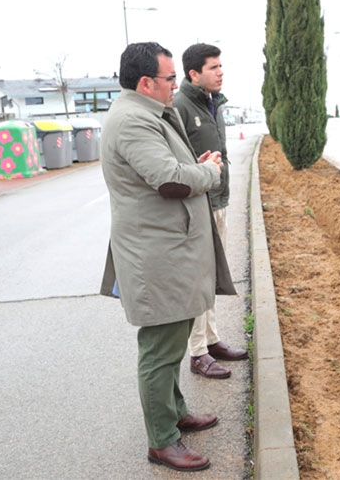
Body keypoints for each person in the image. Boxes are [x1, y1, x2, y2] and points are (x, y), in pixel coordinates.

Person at [99, 42, 236, 472]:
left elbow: (169, 169)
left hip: (166, 249)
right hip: (155, 255)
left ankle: (174, 414)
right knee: (159, 349)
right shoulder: (133, 121)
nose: (175, 85)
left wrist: (193, 164)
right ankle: (162, 440)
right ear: (145, 82)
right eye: (170, 78)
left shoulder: (146, 113)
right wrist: (208, 173)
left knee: (173, 341)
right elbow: (169, 181)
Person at [172, 43, 248, 380]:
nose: (220, 72)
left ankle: (212, 341)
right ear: (194, 74)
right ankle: (198, 352)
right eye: (213, 67)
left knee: (213, 275)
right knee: (199, 280)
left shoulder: (213, 103)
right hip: (198, 205)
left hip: (219, 200)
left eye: (221, 66)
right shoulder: (180, 107)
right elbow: (174, 160)